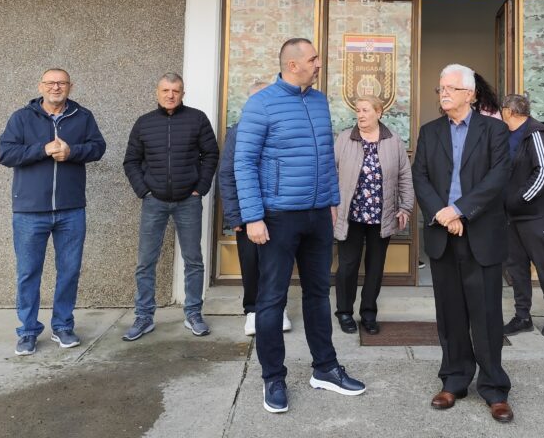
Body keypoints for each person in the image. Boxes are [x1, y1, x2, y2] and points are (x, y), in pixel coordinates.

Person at [234, 38, 366, 414]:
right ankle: (273, 377)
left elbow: (325, 157)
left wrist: (331, 201)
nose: (319, 63)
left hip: (318, 214)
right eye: (313, 59)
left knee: (318, 295)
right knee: (271, 300)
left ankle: (325, 368)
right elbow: (244, 162)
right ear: (293, 65)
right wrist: (253, 216)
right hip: (278, 217)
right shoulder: (261, 104)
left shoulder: (319, 101)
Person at [412, 63, 514, 424]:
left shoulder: (494, 130)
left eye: (451, 88)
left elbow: (498, 177)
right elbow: (420, 176)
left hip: (480, 234)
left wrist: (459, 210)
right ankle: (454, 380)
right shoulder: (430, 131)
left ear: (469, 94)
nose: (443, 93)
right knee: (450, 313)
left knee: (486, 314)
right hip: (443, 235)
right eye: (441, 88)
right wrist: (443, 215)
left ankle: (494, 388)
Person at [0, 68, 106, 356]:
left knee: (69, 271)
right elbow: (6, 154)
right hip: (30, 211)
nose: (55, 87)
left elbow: (98, 148)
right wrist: (42, 150)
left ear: (70, 86)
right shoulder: (22, 118)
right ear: (40, 86)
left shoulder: (83, 117)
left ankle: (63, 325)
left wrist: (72, 153)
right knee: (28, 273)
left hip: (71, 209)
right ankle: (28, 331)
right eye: (50, 83)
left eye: (61, 83)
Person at [121, 73, 220, 342]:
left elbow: (211, 154)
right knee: (146, 261)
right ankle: (144, 316)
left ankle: (193, 313)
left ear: (183, 93)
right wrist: (144, 191)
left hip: (188, 200)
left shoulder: (197, 119)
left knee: (193, 260)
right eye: (165, 90)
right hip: (154, 201)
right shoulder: (144, 123)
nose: (170, 95)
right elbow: (131, 161)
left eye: (176, 90)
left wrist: (200, 187)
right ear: (157, 92)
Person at [333, 95, 414, 335]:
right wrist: (331, 206)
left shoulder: (393, 140)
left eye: (366, 110)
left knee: (375, 267)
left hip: (382, 214)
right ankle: (344, 312)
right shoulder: (344, 138)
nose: (360, 115)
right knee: (347, 265)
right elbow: (330, 173)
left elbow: (404, 176)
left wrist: (406, 207)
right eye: (358, 110)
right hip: (351, 214)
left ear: (379, 113)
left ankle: (368, 313)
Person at [217, 79, 291, 337]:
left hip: (279, 210)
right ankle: (252, 310)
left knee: (279, 263)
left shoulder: (282, 131)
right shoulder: (237, 132)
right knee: (250, 262)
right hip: (248, 211)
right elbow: (226, 174)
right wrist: (234, 214)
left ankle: (278, 308)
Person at [499, 93, 544, 337]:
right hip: (511, 217)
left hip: (535, 216)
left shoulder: (535, 133)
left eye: (502, 109)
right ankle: (522, 316)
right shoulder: (505, 135)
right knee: (516, 268)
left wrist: (518, 199)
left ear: (509, 111)